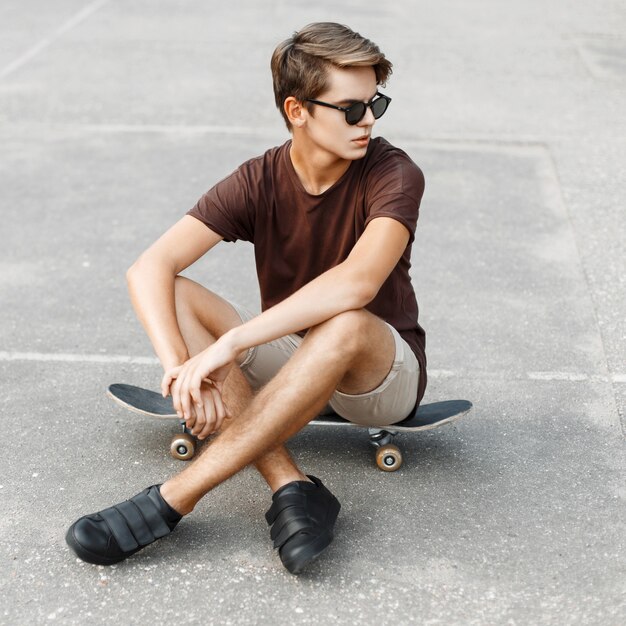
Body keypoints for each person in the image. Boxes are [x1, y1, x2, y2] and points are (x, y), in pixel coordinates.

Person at [66, 22, 426, 574]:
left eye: (376, 102)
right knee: (178, 292)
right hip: (295, 362)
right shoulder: (259, 178)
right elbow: (149, 268)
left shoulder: (393, 172)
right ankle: (292, 485)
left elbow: (357, 283)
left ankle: (172, 500)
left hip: (375, 376)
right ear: (297, 109)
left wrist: (227, 346)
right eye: (351, 108)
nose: (369, 120)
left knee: (348, 321)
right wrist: (180, 370)